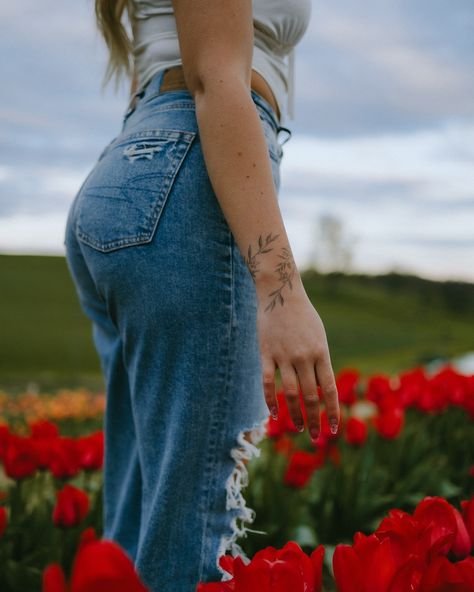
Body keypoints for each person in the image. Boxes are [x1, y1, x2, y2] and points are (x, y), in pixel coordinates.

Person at [63, 0, 341, 590]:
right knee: (189, 545)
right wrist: (280, 287)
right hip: (191, 184)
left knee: (141, 529)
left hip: (141, 176)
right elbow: (216, 74)